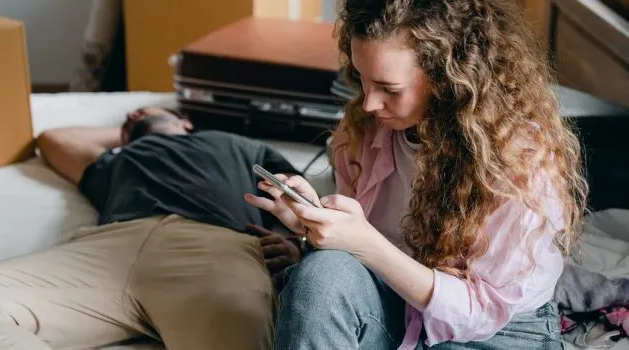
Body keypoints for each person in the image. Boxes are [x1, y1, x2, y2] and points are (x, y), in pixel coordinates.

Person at [245, 0, 589, 349]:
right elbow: (357, 254)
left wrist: (364, 243)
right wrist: (314, 230)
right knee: (321, 276)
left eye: (389, 89)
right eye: (362, 81)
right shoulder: (364, 130)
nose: (369, 104)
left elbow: (478, 311)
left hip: (497, 329)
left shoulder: (519, 158)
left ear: (446, 76)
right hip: (397, 302)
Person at [0, 107, 302, 350]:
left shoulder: (236, 145)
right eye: (130, 118)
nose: (132, 115)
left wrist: (293, 244)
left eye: (142, 112)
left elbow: (297, 199)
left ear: (186, 121)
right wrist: (130, 133)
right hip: (107, 248)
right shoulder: (117, 161)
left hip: (212, 247)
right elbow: (52, 139)